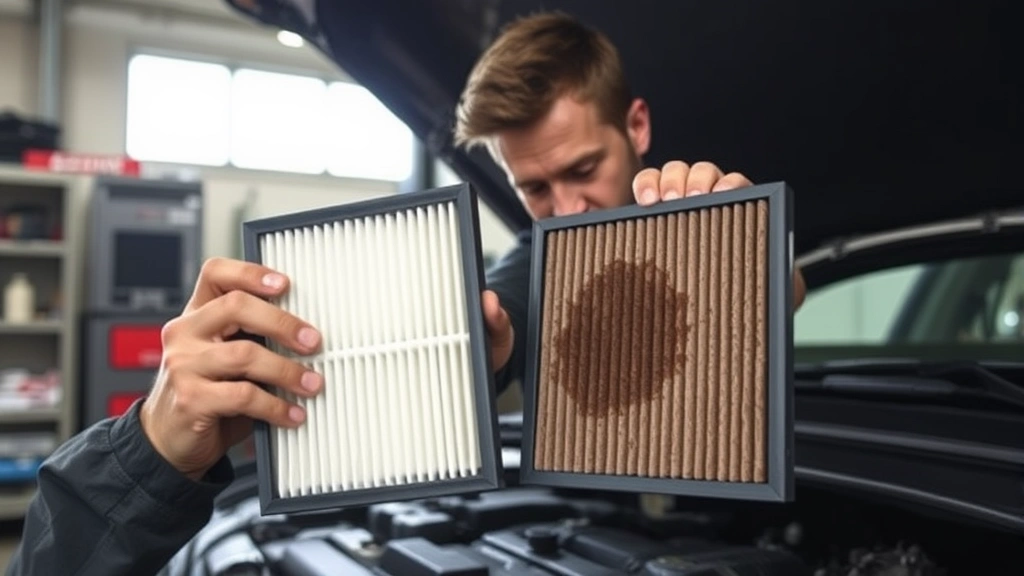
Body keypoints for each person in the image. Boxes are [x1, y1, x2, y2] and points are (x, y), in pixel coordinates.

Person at [5, 11, 805, 576]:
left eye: (583, 169)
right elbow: (503, 312)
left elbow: (788, 289)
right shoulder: (541, 260)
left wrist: (748, 265)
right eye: (532, 186)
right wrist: (473, 356)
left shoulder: (712, 223)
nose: (563, 210)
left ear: (635, 126)